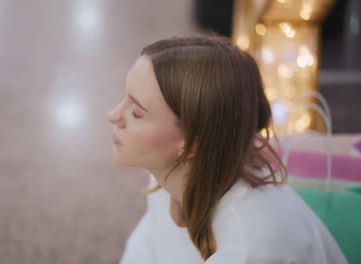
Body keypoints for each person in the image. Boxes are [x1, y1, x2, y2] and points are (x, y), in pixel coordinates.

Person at [107, 35, 348, 263]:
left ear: (191, 144)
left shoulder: (251, 251)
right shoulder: (168, 175)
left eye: (136, 113)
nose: (113, 115)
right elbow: (145, 250)